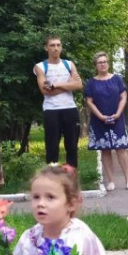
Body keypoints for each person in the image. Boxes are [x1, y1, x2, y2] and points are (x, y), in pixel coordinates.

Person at [84, 52, 128, 191]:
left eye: (105, 61)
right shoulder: (91, 82)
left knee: (121, 148)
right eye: (100, 62)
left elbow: (123, 96)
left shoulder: (117, 79)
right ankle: (110, 181)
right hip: (99, 120)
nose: (103, 64)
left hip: (117, 118)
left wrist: (118, 113)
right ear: (96, 65)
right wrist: (100, 116)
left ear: (108, 63)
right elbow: (89, 101)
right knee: (105, 150)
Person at [34, 35, 83, 167]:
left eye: (58, 45)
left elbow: (78, 86)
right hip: (51, 110)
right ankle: (52, 178)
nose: (56, 48)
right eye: (52, 45)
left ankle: (71, 177)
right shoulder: (40, 67)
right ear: (46, 48)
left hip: (70, 108)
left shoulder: (69, 64)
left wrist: (55, 86)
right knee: (52, 146)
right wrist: (68, 85)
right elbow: (45, 90)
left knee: (72, 146)